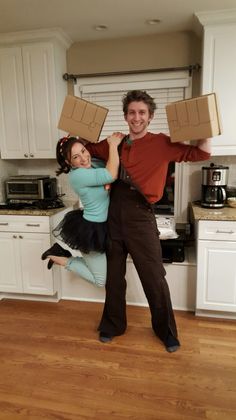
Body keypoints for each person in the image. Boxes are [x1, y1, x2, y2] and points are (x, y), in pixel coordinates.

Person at [86, 90, 211, 352]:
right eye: (132, 112)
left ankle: (165, 331)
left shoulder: (162, 143)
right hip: (113, 215)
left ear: (150, 116)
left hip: (141, 217)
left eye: (142, 112)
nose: (136, 117)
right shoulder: (115, 142)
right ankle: (112, 325)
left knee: (154, 276)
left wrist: (204, 128)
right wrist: (74, 136)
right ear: (125, 115)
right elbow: (83, 152)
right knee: (114, 277)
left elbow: (201, 153)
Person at [41, 132, 124, 287]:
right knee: (101, 281)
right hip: (92, 230)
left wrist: (86, 141)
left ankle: (61, 253)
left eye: (83, 151)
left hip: (104, 225)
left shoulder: (90, 164)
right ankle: (59, 257)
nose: (84, 158)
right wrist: (113, 144)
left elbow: (108, 166)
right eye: (76, 157)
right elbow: (111, 174)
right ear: (68, 162)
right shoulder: (77, 175)